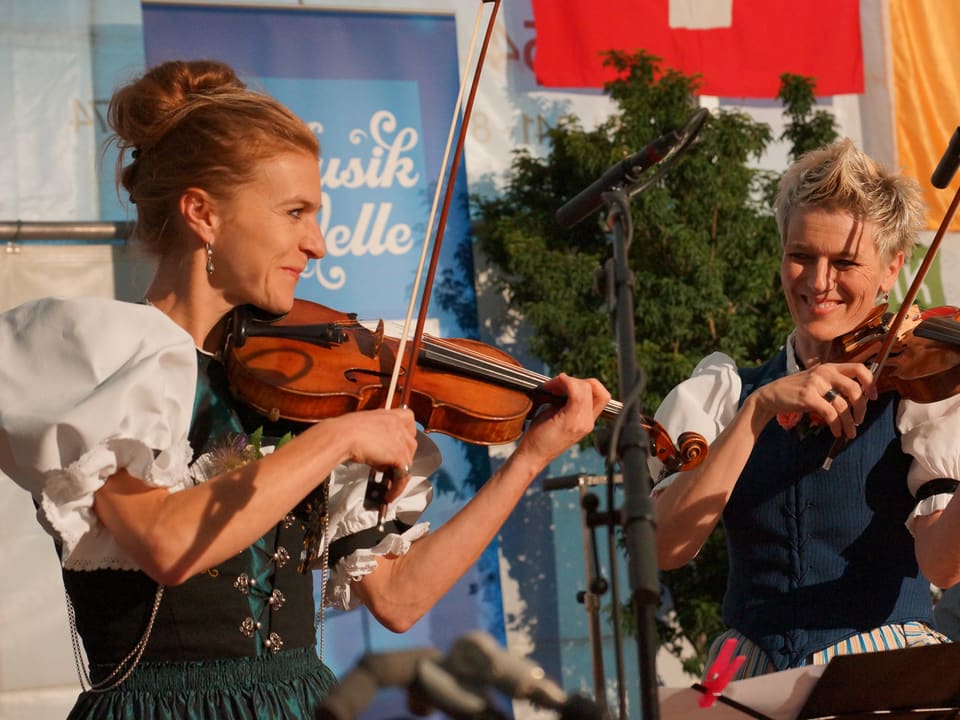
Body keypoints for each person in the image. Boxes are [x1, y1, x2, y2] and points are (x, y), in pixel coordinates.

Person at [0, 59, 610, 718]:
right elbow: (168, 546)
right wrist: (338, 438)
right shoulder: (106, 363)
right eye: (295, 212)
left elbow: (399, 599)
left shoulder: (297, 379)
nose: (316, 243)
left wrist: (528, 459)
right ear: (203, 213)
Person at [649, 138, 960, 679]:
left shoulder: (915, 393)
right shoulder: (725, 390)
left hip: (880, 660)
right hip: (749, 665)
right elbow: (663, 547)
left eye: (845, 262)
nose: (818, 283)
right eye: (801, 257)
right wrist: (756, 411)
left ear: (892, 269)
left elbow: (943, 565)